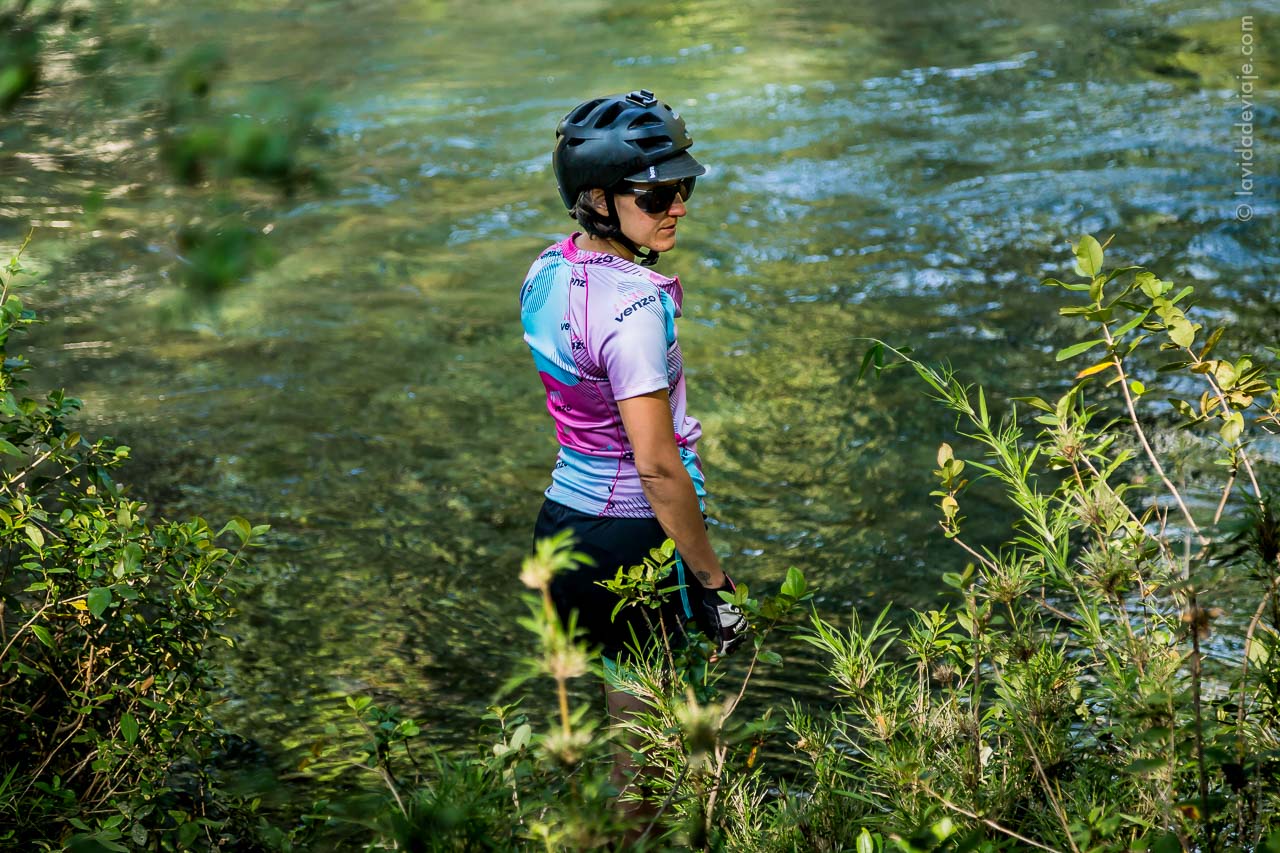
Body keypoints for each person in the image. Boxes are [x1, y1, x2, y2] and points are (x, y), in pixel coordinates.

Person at [518, 88, 748, 789]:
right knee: (651, 757)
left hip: (564, 530)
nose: (677, 205)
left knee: (625, 724)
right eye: (656, 195)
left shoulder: (544, 272)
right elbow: (655, 463)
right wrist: (713, 580)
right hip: (633, 540)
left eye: (681, 188)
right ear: (596, 198)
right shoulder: (636, 309)